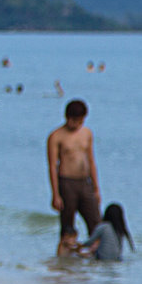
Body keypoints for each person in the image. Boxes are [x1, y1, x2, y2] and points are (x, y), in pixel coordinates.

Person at [47, 99, 101, 253]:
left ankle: (94, 263)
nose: (78, 124)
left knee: (96, 223)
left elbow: (91, 160)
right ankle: (64, 265)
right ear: (67, 118)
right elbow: (52, 166)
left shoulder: (87, 133)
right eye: (75, 121)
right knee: (67, 228)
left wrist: (96, 188)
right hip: (66, 183)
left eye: (81, 121)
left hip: (85, 183)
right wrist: (55, 194)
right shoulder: (56, 136)